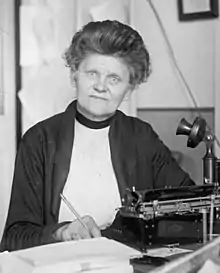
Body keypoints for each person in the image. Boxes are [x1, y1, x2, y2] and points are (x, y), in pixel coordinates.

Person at [0, 20, 195, 251]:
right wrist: (61, 232)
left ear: (128, 89)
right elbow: (14, 238)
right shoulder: (39, 140)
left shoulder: (142, 136)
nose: (101, 87)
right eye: (92, 73)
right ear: (74, 75)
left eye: (114, 79)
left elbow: (190, 212)